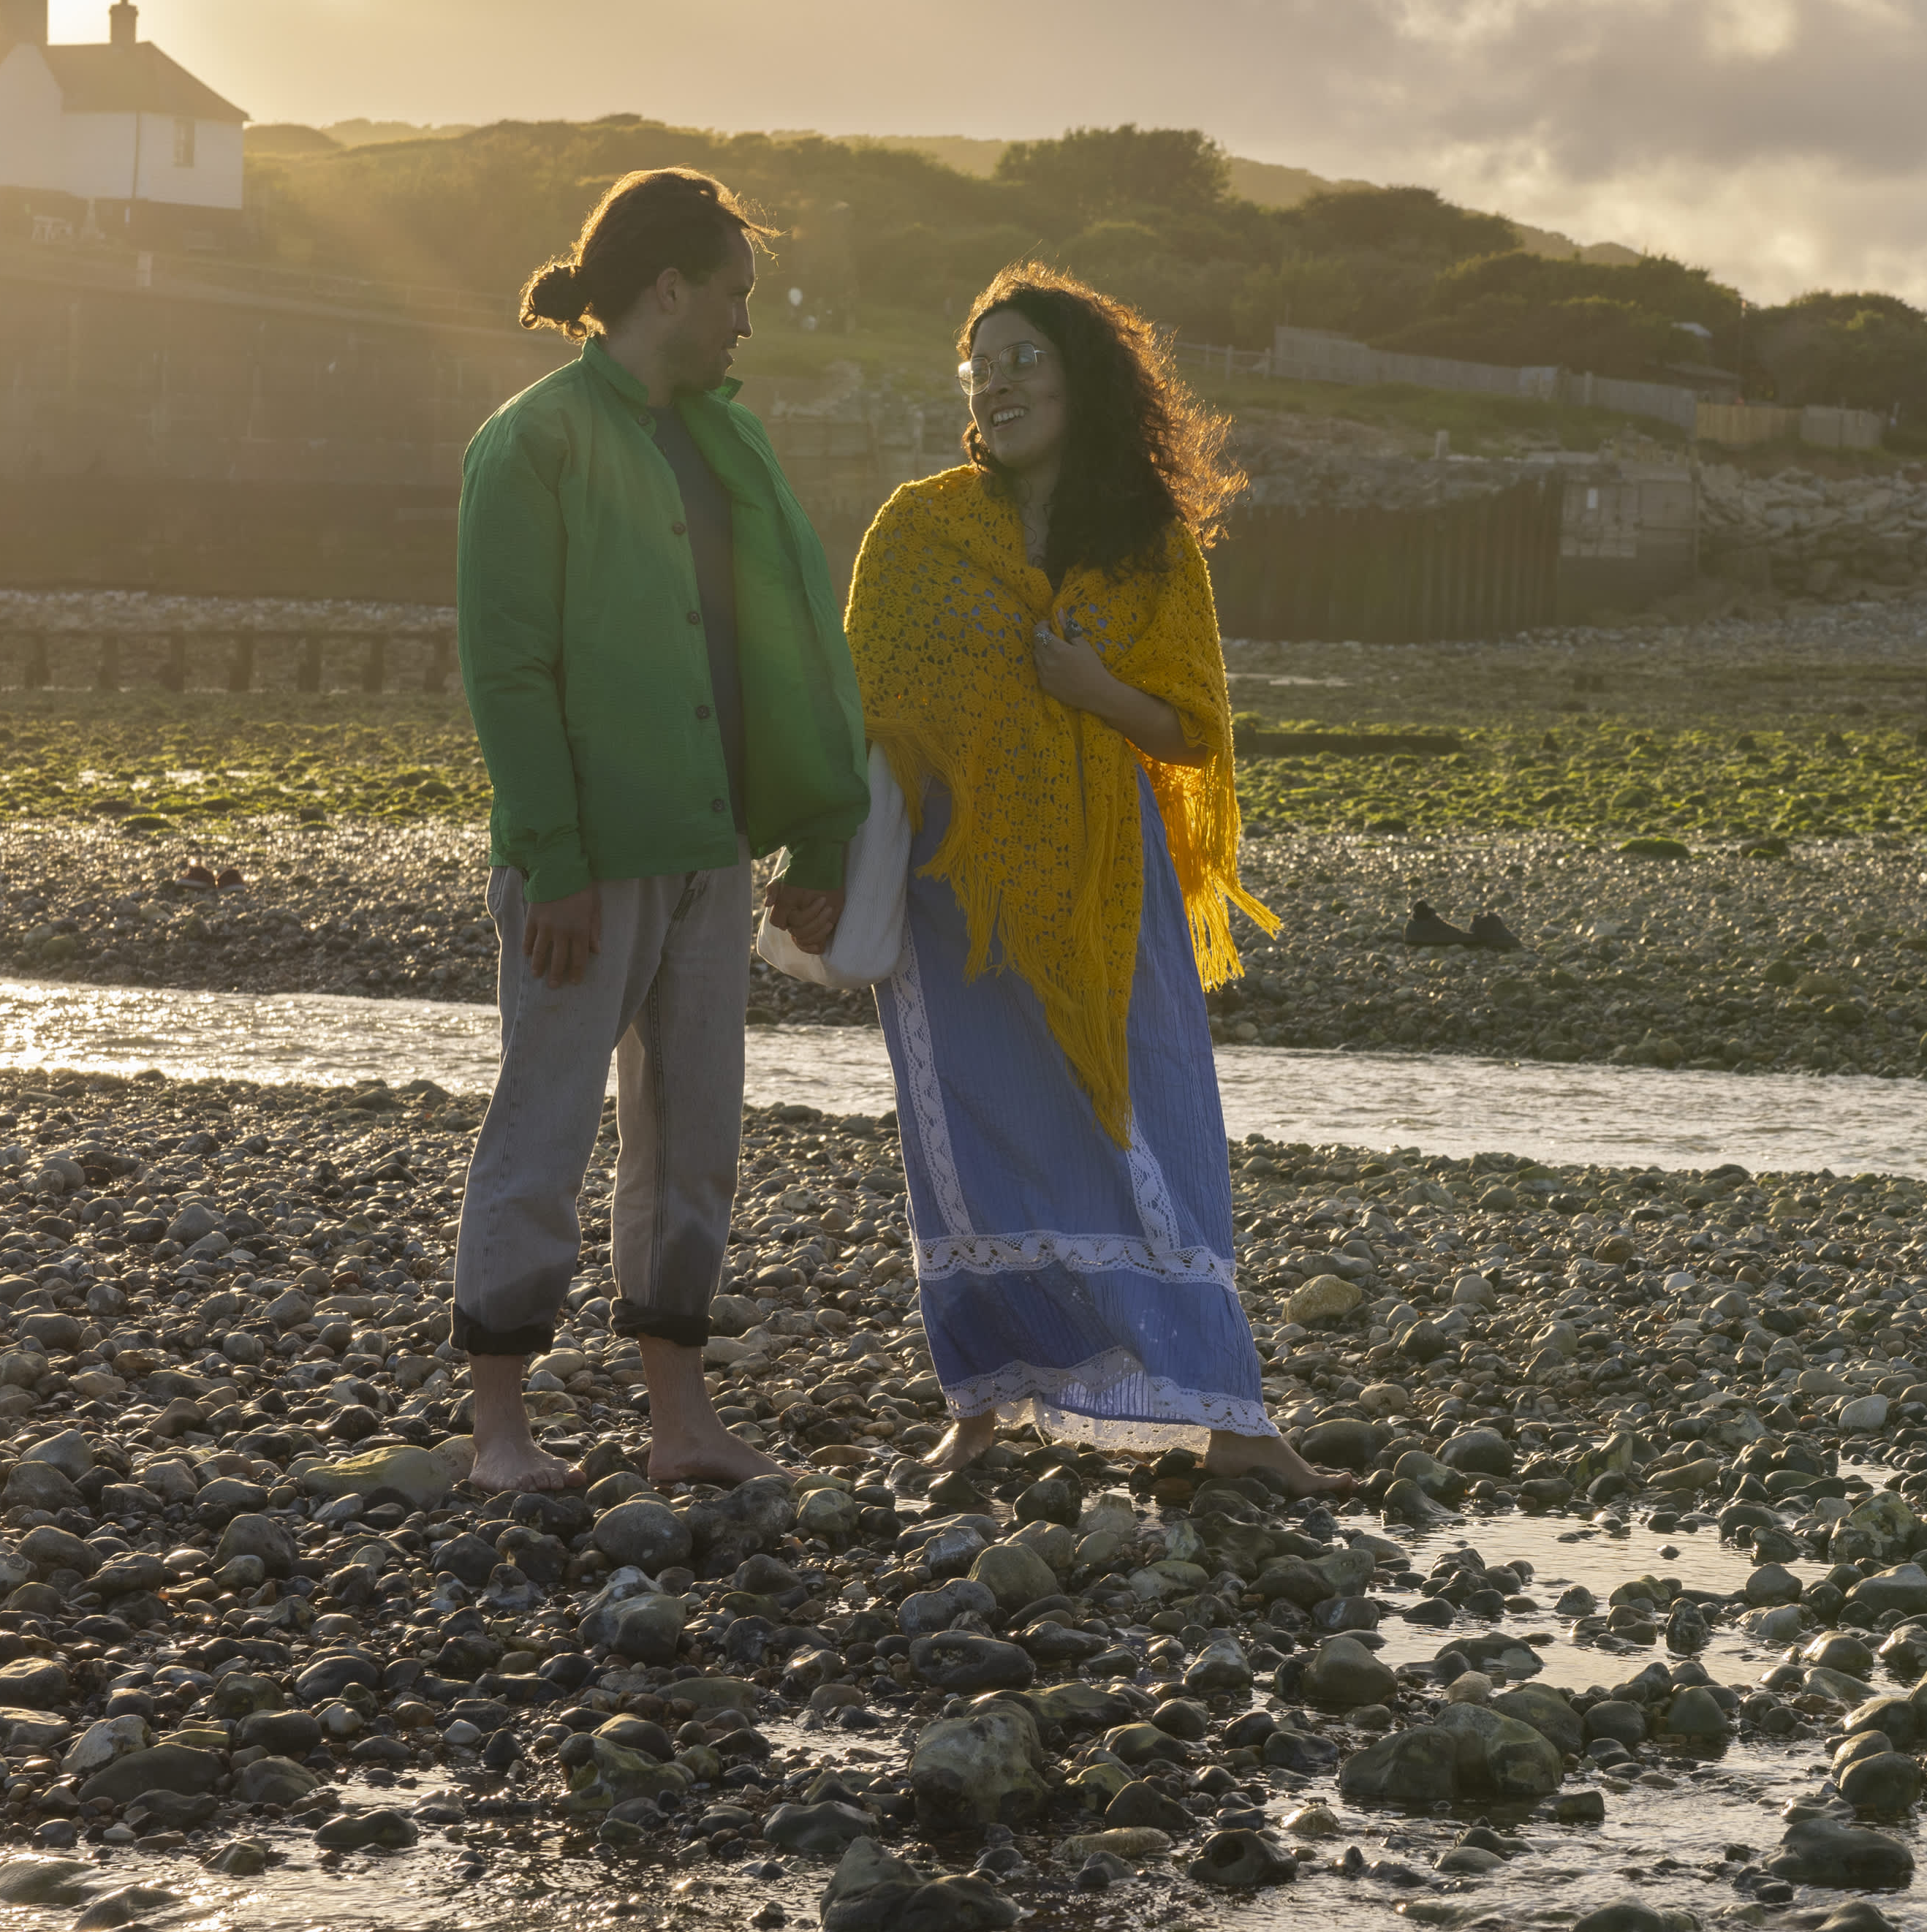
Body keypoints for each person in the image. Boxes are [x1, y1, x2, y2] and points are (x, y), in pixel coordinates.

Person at [845, 265, 1329, 1492]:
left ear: (1084, 380)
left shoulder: (1148, 547)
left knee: (1155, 1122)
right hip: (958, 890)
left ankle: (1228, 1414)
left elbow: (1193, 731)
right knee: (967, 1122)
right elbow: (870, 710)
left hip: (1112, 886)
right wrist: (816, 860)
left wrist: (1091, 693)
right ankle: (983, 1403)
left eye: (1025, 361)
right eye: (980, 366)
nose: (997, 385)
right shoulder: (920, 530)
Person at [449, 167, 870, 1495]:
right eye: (735, 292)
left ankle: (679, 1424)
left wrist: (819, 836)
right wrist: (555, 861)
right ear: (669, 288)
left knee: (694, 1135)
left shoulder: (726, 437)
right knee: (548, 1121)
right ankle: (501, 1435)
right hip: (585, 857)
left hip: (710, 844)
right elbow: (508, 671)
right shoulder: (534, 440)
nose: (748, 320)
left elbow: (786, 639)